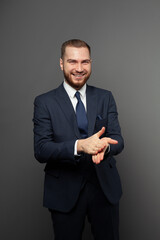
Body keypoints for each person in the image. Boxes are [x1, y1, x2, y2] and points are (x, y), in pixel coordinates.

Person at [33, 39, 124, 240]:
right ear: (61, 63)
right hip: (63, 191)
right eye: (73, 62)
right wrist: (80, 146)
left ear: (91, 62)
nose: (79, 68)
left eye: (85, 62)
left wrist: (104, 148)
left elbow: (118, 138)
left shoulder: (105, 97)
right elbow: (41, 149)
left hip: (104, 188)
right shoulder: (44, 102)